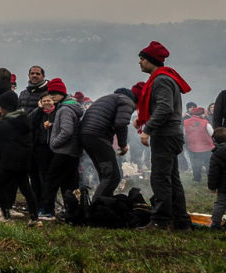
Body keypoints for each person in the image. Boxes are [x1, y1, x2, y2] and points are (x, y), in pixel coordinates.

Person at [135, 40, 192, 230]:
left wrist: (147, 129)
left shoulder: (161, 80)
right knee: (172, 179)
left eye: (142, 59)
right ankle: (181, 220)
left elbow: (165, 108)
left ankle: (160, 220)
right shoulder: (164, 78)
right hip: (171, 134)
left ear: (151, 60)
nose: (140, 62)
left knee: (160, 178)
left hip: (165, 135)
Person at [0, 90, 39, 223]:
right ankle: (35, 218)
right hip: (22, 160)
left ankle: (5, 216)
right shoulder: (22, 118)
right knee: (26, 188)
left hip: (10, 161)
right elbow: (11, 137)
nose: (0, 110)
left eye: (1, 107)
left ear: (6, 107)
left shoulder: (11, 121)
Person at [79, 86, 135, 205]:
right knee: (113, 176)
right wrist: (123, 145)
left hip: (85, 136)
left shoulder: (107, 99)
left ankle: (106, 204)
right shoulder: (126, 101)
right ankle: (96, 207)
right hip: (98, 137)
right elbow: (121, 124)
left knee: (105, 174)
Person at [39, 78, 83, 220]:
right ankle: (71, 212)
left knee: (51, 181)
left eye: (55, 93)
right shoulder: (71, 107)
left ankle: (47, 211)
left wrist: (54, 143)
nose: (51, 96)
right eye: (50, 93)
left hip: (63, 152)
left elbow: (67, 131)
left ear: (62, 93)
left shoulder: (65, 109)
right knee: (69, 184)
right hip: (72, 152)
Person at [184, 105, 214, 183]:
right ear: (201, 114)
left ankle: (196, 179)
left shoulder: (185, 122)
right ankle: (210, 179)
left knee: (195, 164)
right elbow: (212, 133)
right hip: (206, 147)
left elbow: (184, 134)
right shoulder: (205, 122)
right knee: (208, 164)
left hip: (192, 147)